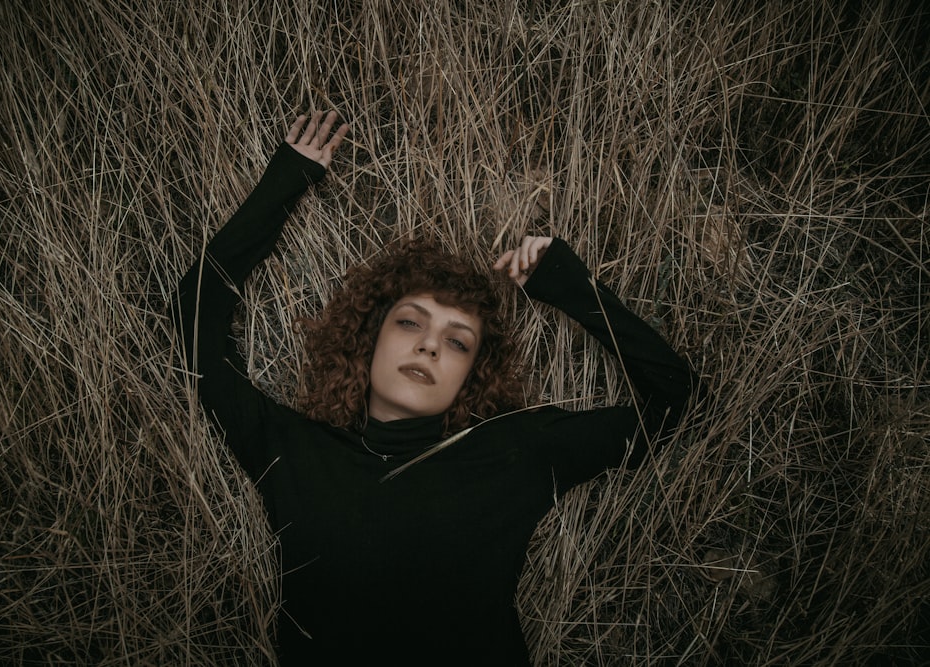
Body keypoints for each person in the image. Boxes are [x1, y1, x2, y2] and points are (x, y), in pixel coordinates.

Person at [172, 111, 699, 666]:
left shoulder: (515, 453)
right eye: (409, 322)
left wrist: (568, 285)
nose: (428, 346)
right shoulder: (293, 451)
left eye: (457, 343)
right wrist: (288, 181)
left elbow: (678, 405)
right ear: (369, 338)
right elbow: (195, 325)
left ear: (472, 375)